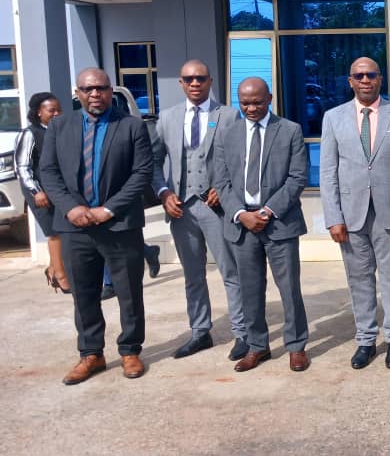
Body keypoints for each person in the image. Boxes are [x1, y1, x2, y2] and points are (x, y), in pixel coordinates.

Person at [38, 67, 154, 384]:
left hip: (120, 225)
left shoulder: (131, 126)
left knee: (129, 292)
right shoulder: (59, 126)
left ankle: (130, 350)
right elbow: (48, 172)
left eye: (101, 88)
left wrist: (109, 209)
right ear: (78, 93)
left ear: (110, 91)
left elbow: (142, 173)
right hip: (75, 227)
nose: (95, 94)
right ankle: (91, 354)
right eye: (87, 89)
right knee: (84, 293)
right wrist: (71, 208)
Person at [319, 57, 390, 370]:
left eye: (371, 75)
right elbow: (327, 172)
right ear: (350, 81)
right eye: (359, 75)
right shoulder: (333, 118)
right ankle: (365, 340)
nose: (365, 80)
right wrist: (334, 217)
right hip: (351, 217)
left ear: (380, 79)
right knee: (359, 279)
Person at [151, 59, 248, 361]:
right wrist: (164, 192)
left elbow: (242, 159)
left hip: (216, 208)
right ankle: (200, 332)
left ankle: (243, 333)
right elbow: (153, 162)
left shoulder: (229, 115)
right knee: (193, 275)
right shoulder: (167, 118)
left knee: (231, 271)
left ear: (210, 81)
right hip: (182, 208)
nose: (195, 84)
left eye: (201, 79)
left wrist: (226, 188)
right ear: (181, 83)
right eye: (189, 79)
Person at [212, 77, 310, 373]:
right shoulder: (227, 133)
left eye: (257, 102)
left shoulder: (290, 130)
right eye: (245, 103)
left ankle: (296, 346)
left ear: (269, 98)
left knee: (289, 289)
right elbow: (221, 181)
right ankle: (257, 346)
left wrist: (267, 211)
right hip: (242, 225)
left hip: (279, 222)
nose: (251, 108)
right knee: (250, 290)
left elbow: (297, 177)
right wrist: (241, 214)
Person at [15, 92, 68, 293]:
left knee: (63, 230)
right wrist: (36, 191)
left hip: (57, 189)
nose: (56, 114)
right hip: (38, 192)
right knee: (55, 232)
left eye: (59, 110)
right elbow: (22, 167)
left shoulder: (60, 131)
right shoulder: (30, 134)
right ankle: (60, 277)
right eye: (51, 110)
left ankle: (53, 269)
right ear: (39, 112)